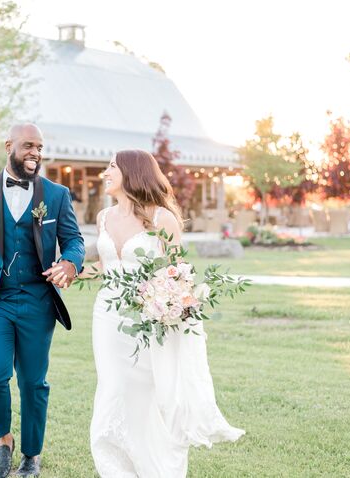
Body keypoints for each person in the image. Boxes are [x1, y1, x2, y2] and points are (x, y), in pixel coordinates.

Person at [89, 149, 244, 477]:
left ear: (131, 172)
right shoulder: (104, 217)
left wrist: (174, 305)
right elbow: (106, 265)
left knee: (147, 394)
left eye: (112, 167)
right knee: (112, 386)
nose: (105, 172)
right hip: (107, 314)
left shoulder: (163, 219)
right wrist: (72, 269)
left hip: (146, 318)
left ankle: (155, 465)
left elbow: (176, 273)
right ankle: (114, 466)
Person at [0, 124, 85, 477]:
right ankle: (3, 442)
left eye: (39, 147)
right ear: (9, 146)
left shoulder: (55, 194)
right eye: (28, 146)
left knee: (32, 382)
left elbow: (74, 241)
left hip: (38, 302)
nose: (35, 153)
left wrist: (70, 263)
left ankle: (31, 455)